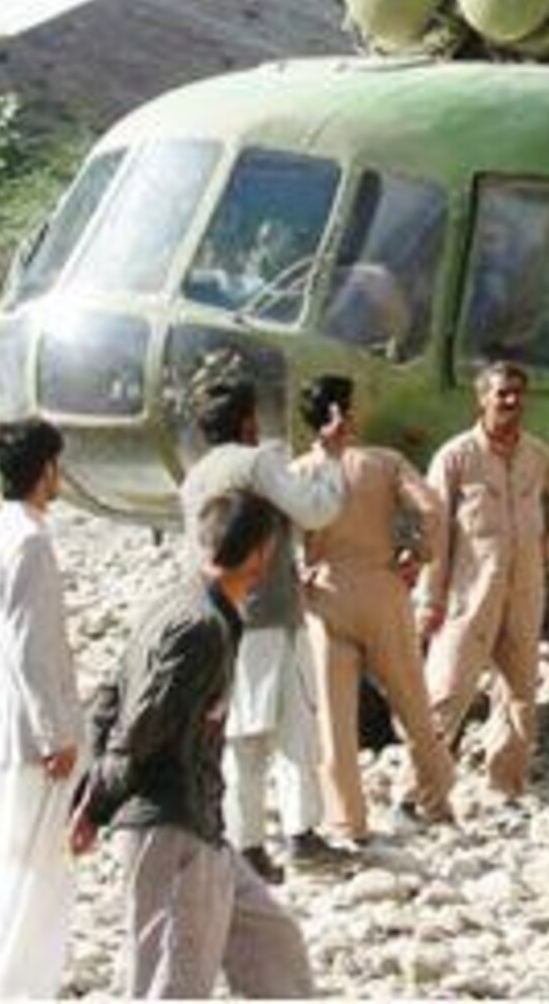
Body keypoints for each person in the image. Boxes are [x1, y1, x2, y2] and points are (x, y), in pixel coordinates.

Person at [72, 489, 315, 998]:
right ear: (260, 553)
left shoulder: (182, 606)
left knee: (275, 945)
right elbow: (144, 728)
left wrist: (91, 791)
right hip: (171, 826)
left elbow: (107, 699)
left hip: (202, 824)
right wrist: (94, 806)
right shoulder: (200, 627)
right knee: (172, 982)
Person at [179, 371, 347, 882]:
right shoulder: (257, 464)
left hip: (222, 620)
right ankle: (302, 835)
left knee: (241, 736)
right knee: (296, 728)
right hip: (273, 614)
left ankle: (246, 843)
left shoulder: (196, 475)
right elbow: (316, 510)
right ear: (249, 421)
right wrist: (333, 458)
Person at [0, 419, 82, 998]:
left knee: (6, 873)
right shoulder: (28, 540)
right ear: (46, 468)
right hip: (27, 738)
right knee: (37, 879)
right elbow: (32, 649)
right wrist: (56, 734)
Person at [293, 375, 457, 837]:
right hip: (382, 585)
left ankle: (348, 820)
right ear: (349, 413)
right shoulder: (384, 462)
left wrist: (299, 574)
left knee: (334, 718)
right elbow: (432, 508)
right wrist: (417, 555)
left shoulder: (298, 472)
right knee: (412, 702)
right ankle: (435, 796)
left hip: (325, 592)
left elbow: (280, 537)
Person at [422, 361, 549, 802]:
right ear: (482, 398)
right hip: (468, 595)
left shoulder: (537, 455)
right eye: (501, 393)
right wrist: (429, 600)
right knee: (446, 690)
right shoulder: (456, 457)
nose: (511, 401)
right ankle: (419, 792)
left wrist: (546, 555)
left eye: (517, 393)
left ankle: (505, 788)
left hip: (525, 593)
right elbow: (433, 532)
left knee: (519, 696)